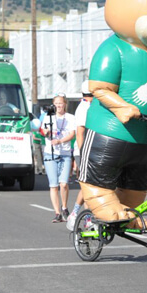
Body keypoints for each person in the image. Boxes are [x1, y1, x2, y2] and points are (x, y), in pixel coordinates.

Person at [41, 93, 76, 223]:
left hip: (65, 153)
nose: (58, 106)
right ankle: (57, 213)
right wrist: (46, 132)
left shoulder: (70, 118)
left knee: (64, 184)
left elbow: (72, 134)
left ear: (65, 104)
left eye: (60, 103)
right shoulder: (48, 117)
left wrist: (60, 141)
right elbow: (44, 131)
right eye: (56, 104)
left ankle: (65, 207)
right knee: (54, 185)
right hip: (50, 153)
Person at [66, 81, 93, 230]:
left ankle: (79, 214)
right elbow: (80, 133)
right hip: (83, 152)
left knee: (89, 186)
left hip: (92, 151)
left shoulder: (91, 106)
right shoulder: (84, 108)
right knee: (87, 186)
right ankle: (83, 216)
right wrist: (84, 155)